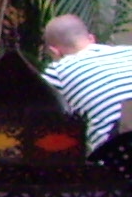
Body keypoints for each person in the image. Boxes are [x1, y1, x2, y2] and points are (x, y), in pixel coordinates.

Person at [42, 14, 132, 149]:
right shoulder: (128, 52)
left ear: (54, 51)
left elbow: (42, 121)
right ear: (91, 38)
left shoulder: (57, 71)